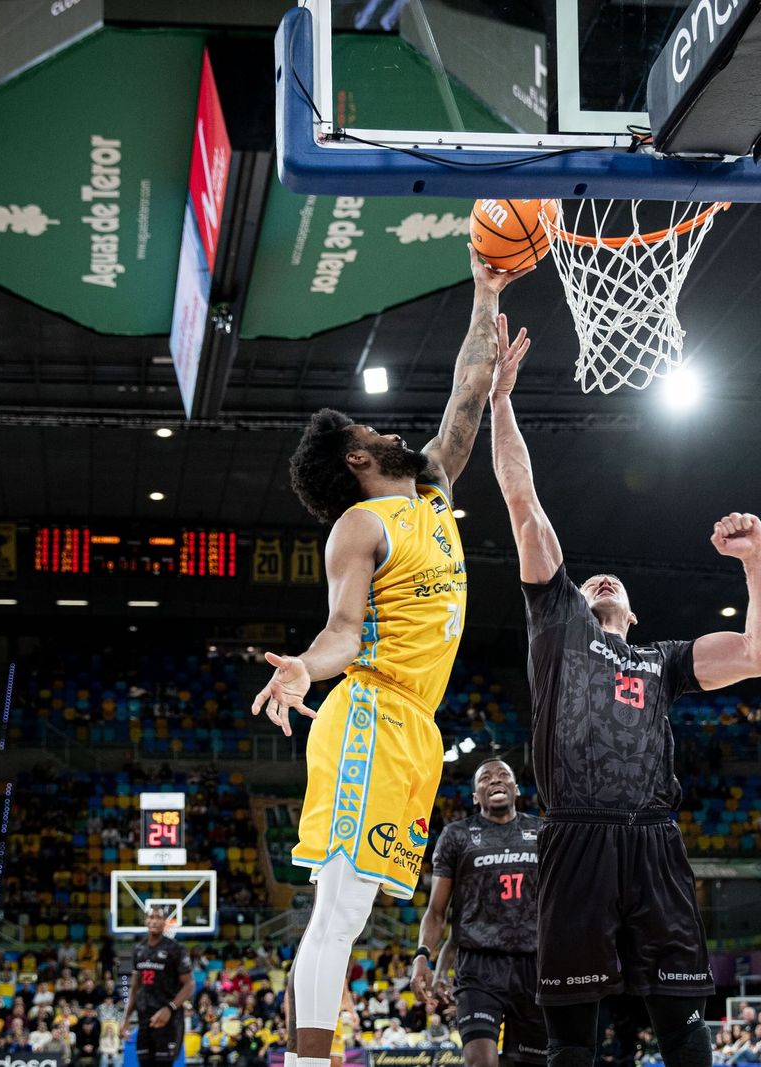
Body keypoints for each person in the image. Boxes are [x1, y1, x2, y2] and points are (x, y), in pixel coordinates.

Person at [252, 249, 529, 1067]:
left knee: (354, 907)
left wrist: (486, 289)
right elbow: (343, 628)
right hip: (368, 709)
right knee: (337, 909)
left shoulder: (433, 490)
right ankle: (307, 1062)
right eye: (373, 435)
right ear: (355, 461)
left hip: (416, 732)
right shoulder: (359, 527)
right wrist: (306, 663)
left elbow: (467, 394)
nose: (390, 433)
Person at [488, 320, 761, 1067]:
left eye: (612, 583)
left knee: (683, 1026)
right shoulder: (557, 624)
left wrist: (759, 561)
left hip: (654, 841)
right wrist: (500, 402)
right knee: (573, 1040)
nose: (602, 580)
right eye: (591, 577)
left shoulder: (663, 659)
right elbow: (523, 502)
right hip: (575, 835)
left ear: (634, 612)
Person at [412, 758, 547, 1067]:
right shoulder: (456, 836)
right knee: (481, 1062)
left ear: (515, 788)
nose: (495, 780)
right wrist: (423, 955)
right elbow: (436, 912)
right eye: (485, 778)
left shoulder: (542, 831)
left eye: (503, 775)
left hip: (534, 964)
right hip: (478, 966)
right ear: (475, 796)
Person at [123, 907, 194, 1067]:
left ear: (165, 922)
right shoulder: (138, 949)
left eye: (158, 917)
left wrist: (170, 1008)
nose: (154, 920)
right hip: (144, 1019)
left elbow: (190, 985)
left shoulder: (176, 949)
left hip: (168, 1019)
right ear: (146, 921)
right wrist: (126, 1018)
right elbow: (135, 988)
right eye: (151, 917)